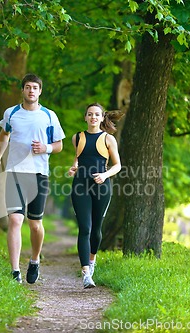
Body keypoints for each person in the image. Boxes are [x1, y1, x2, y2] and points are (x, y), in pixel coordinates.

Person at [0, 73, 65, 284]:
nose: (31, 91)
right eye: (27, 87)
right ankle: (15, 271)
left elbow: (59, 145)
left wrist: (46, 148)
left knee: (35, 224)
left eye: (35, 87)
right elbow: (4, 135)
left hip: (39, 174)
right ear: (22, 90)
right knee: (15, 219)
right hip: (15, 172)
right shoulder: (11, 113)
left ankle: (34, 260)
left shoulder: (49, 116)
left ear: (40, 91)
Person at [68, 103, 121, 288]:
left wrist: (104, 175)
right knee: (85, 228)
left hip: (102, 187)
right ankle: (85, 274)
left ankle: (91, 261)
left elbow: (117, 165)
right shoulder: (77, 137)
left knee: (96, 229)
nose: (93, 117)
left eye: (96, 115)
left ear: (101, 117)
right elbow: (79, 156)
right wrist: (74, 167)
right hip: (80, 186)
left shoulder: (108, 139)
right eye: (90, 114)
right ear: (85, 117)